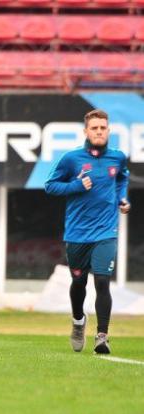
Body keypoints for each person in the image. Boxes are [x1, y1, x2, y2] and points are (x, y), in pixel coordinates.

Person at [45, 109, 130, 355]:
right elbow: (50, 186)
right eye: (94, 128)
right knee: (79, 282)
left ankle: (102, 336)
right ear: (86, 131)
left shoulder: (118, 158)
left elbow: (122, 179)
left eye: (103, 128)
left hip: (105, 231)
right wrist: (76, 185)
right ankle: (78, 321)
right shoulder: (71, 159)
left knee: (102, 281)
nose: (99, 131)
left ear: (109, 131)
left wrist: (122, 198)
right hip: (77, 233)